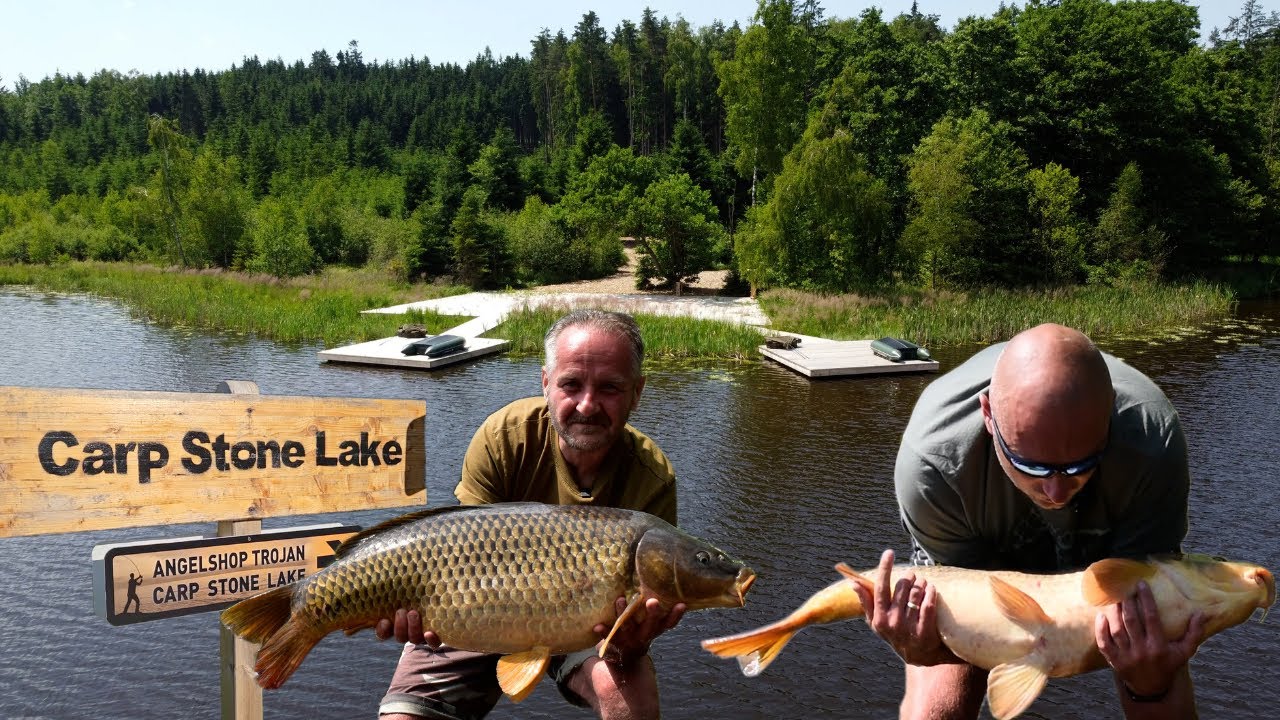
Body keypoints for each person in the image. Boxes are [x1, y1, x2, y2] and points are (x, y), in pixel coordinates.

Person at [854, 323, 1204, 719]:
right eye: (1031, 466)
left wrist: (1151, 685)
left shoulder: (1152, 441)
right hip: (976, 556)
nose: (1056, 492)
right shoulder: (934, 462)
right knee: (939, 690)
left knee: (1152, 662)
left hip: (1115, 556)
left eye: (1080, 466)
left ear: (1109, 420)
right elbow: (957, 617)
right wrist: (929, 649)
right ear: (988, 415)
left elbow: (1145, 603)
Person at [375, 309, 684, 720]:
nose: (587, 405)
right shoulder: (503, 437)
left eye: (610, 387)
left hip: (585, 624)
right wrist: (417, 614)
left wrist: (634, 642)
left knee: (631, 703)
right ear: (545, 383)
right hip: (475, 607)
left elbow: (634, 623)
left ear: (637, 392)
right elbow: (456, 557)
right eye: (571, 384)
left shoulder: (652, 477)